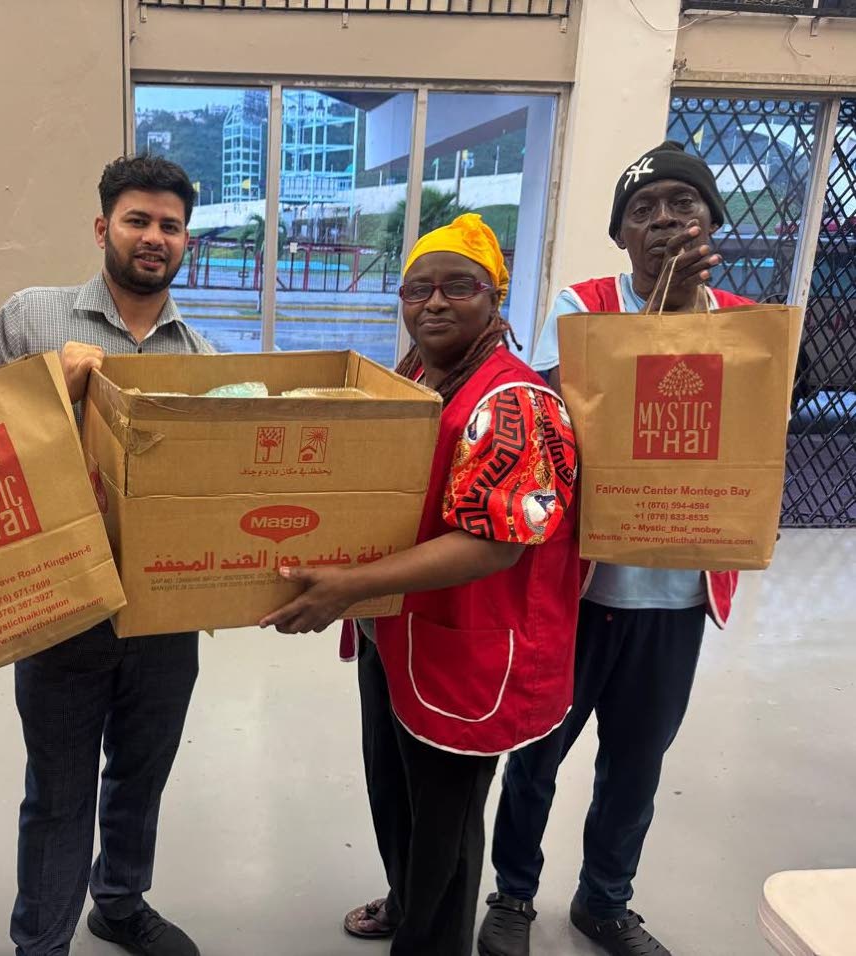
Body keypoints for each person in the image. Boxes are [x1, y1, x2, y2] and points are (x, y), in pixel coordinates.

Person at [261, 214, 581, 956]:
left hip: (467, 646)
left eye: (458, 287)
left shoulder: (514, 402)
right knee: (394, 789)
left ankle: (431, 937)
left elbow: (495, 544)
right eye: (417, 288)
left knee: (446, 824)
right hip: (395, 630)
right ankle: (405, 899)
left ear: (495, 298)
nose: (434, 302)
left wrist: (348, 585)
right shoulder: (410, 378)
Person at [476, 142, 751, 956]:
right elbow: (561, 414)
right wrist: (661, 313)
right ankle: (512, 895)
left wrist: (692, 311)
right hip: (580, 586)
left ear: (710, 221)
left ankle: (604, 901)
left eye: (681, 204)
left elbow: (764, 420)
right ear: (620, 234)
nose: (663, 220)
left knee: (635, 764)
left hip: (678, 594)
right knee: (538, 752)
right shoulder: (582, 305)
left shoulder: (745, 324)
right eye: (642, 209)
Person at [0, 154, 213, 956]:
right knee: (59, 788)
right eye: (138, 220)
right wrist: (52, 385)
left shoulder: (200, 357)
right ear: (103, 226)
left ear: (185, 240)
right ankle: (40, 940)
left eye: (170, 226)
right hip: (59, 595)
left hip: (163, 607)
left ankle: (118, 902)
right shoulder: (32, 318)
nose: (154, 237)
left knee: (141, 774)